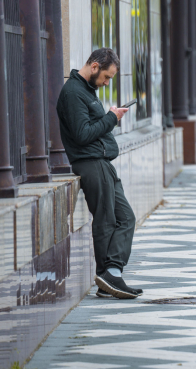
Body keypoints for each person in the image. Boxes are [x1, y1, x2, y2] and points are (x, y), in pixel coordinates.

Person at [56, 48, 140, 299]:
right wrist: (111, 119)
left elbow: (92, 128)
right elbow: (82, 134)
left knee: (126, 218)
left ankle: (111, 274)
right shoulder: (73, 93)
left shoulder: (87, 92)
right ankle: (108, 276)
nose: (106, 83)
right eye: (106, 77)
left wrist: (110, 118)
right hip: (90, 163)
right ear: (94, 66)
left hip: (102, 163)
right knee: (106, 220)